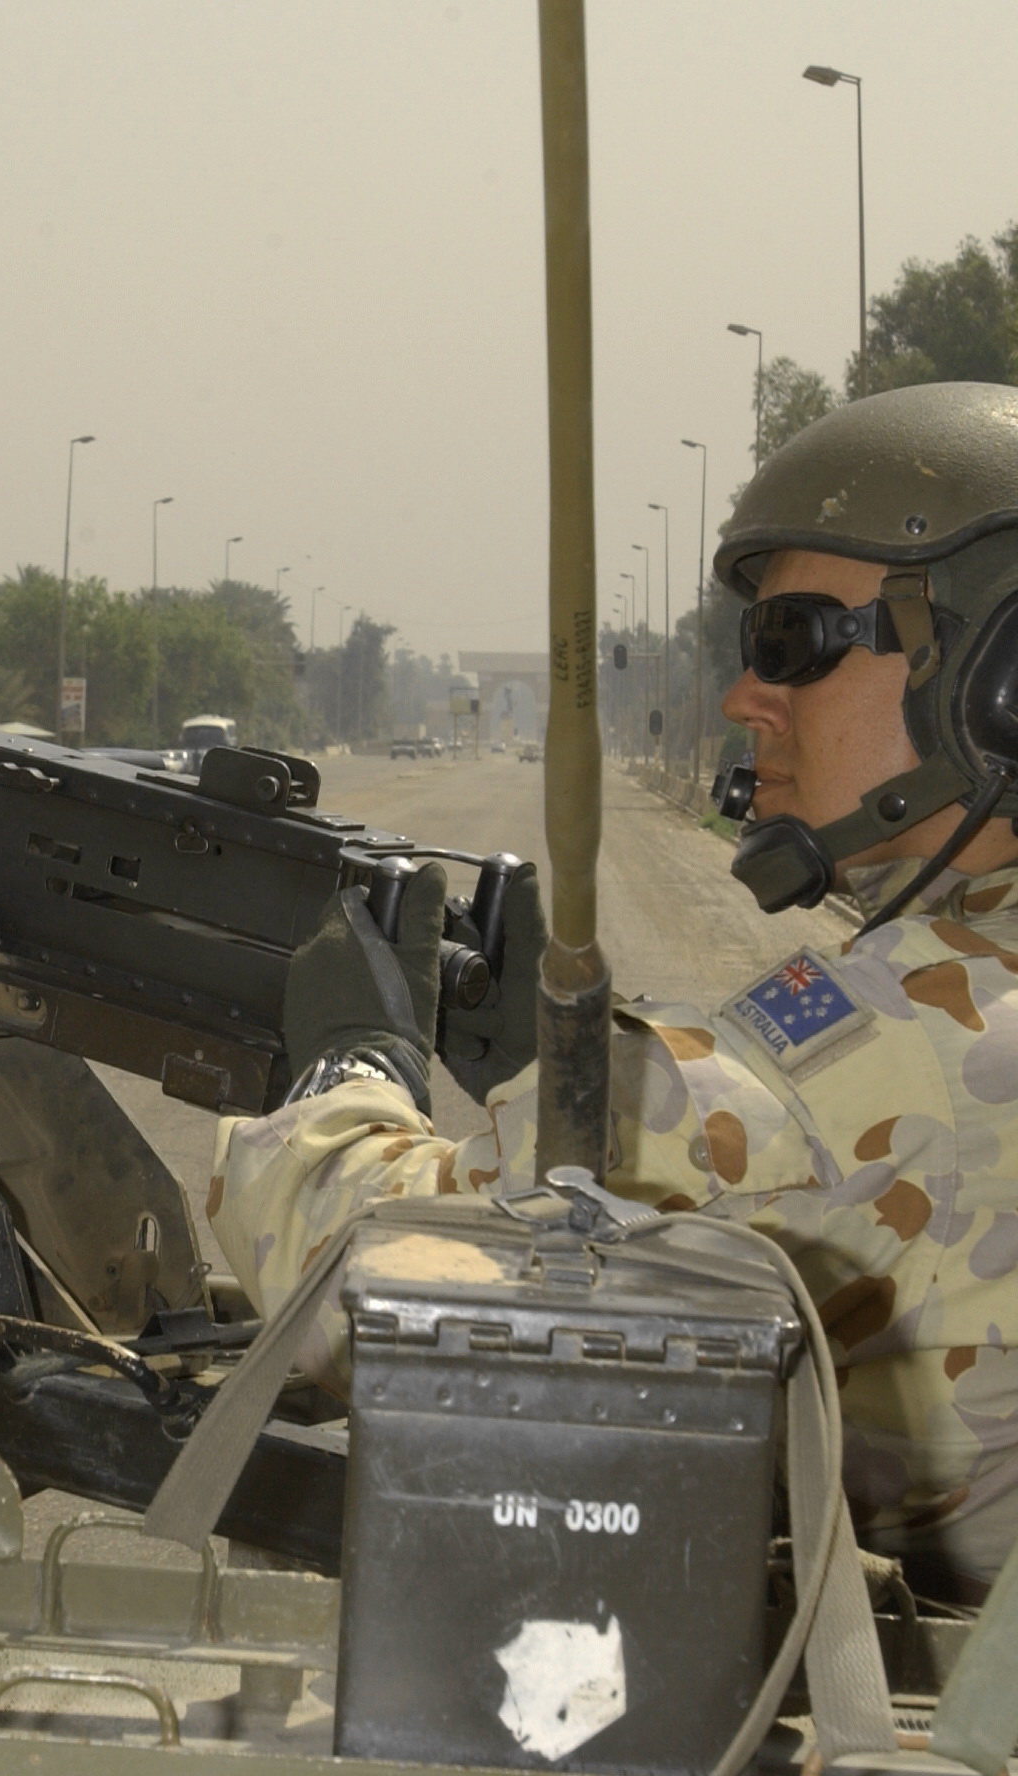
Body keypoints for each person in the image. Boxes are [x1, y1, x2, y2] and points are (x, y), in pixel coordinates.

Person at [211, 381, 1018, 1600]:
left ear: (996, 685)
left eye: (793, 642)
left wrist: (351, 1066)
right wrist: (562, 1084)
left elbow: (359, 1287)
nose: (745, 697)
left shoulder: (902, 1051)